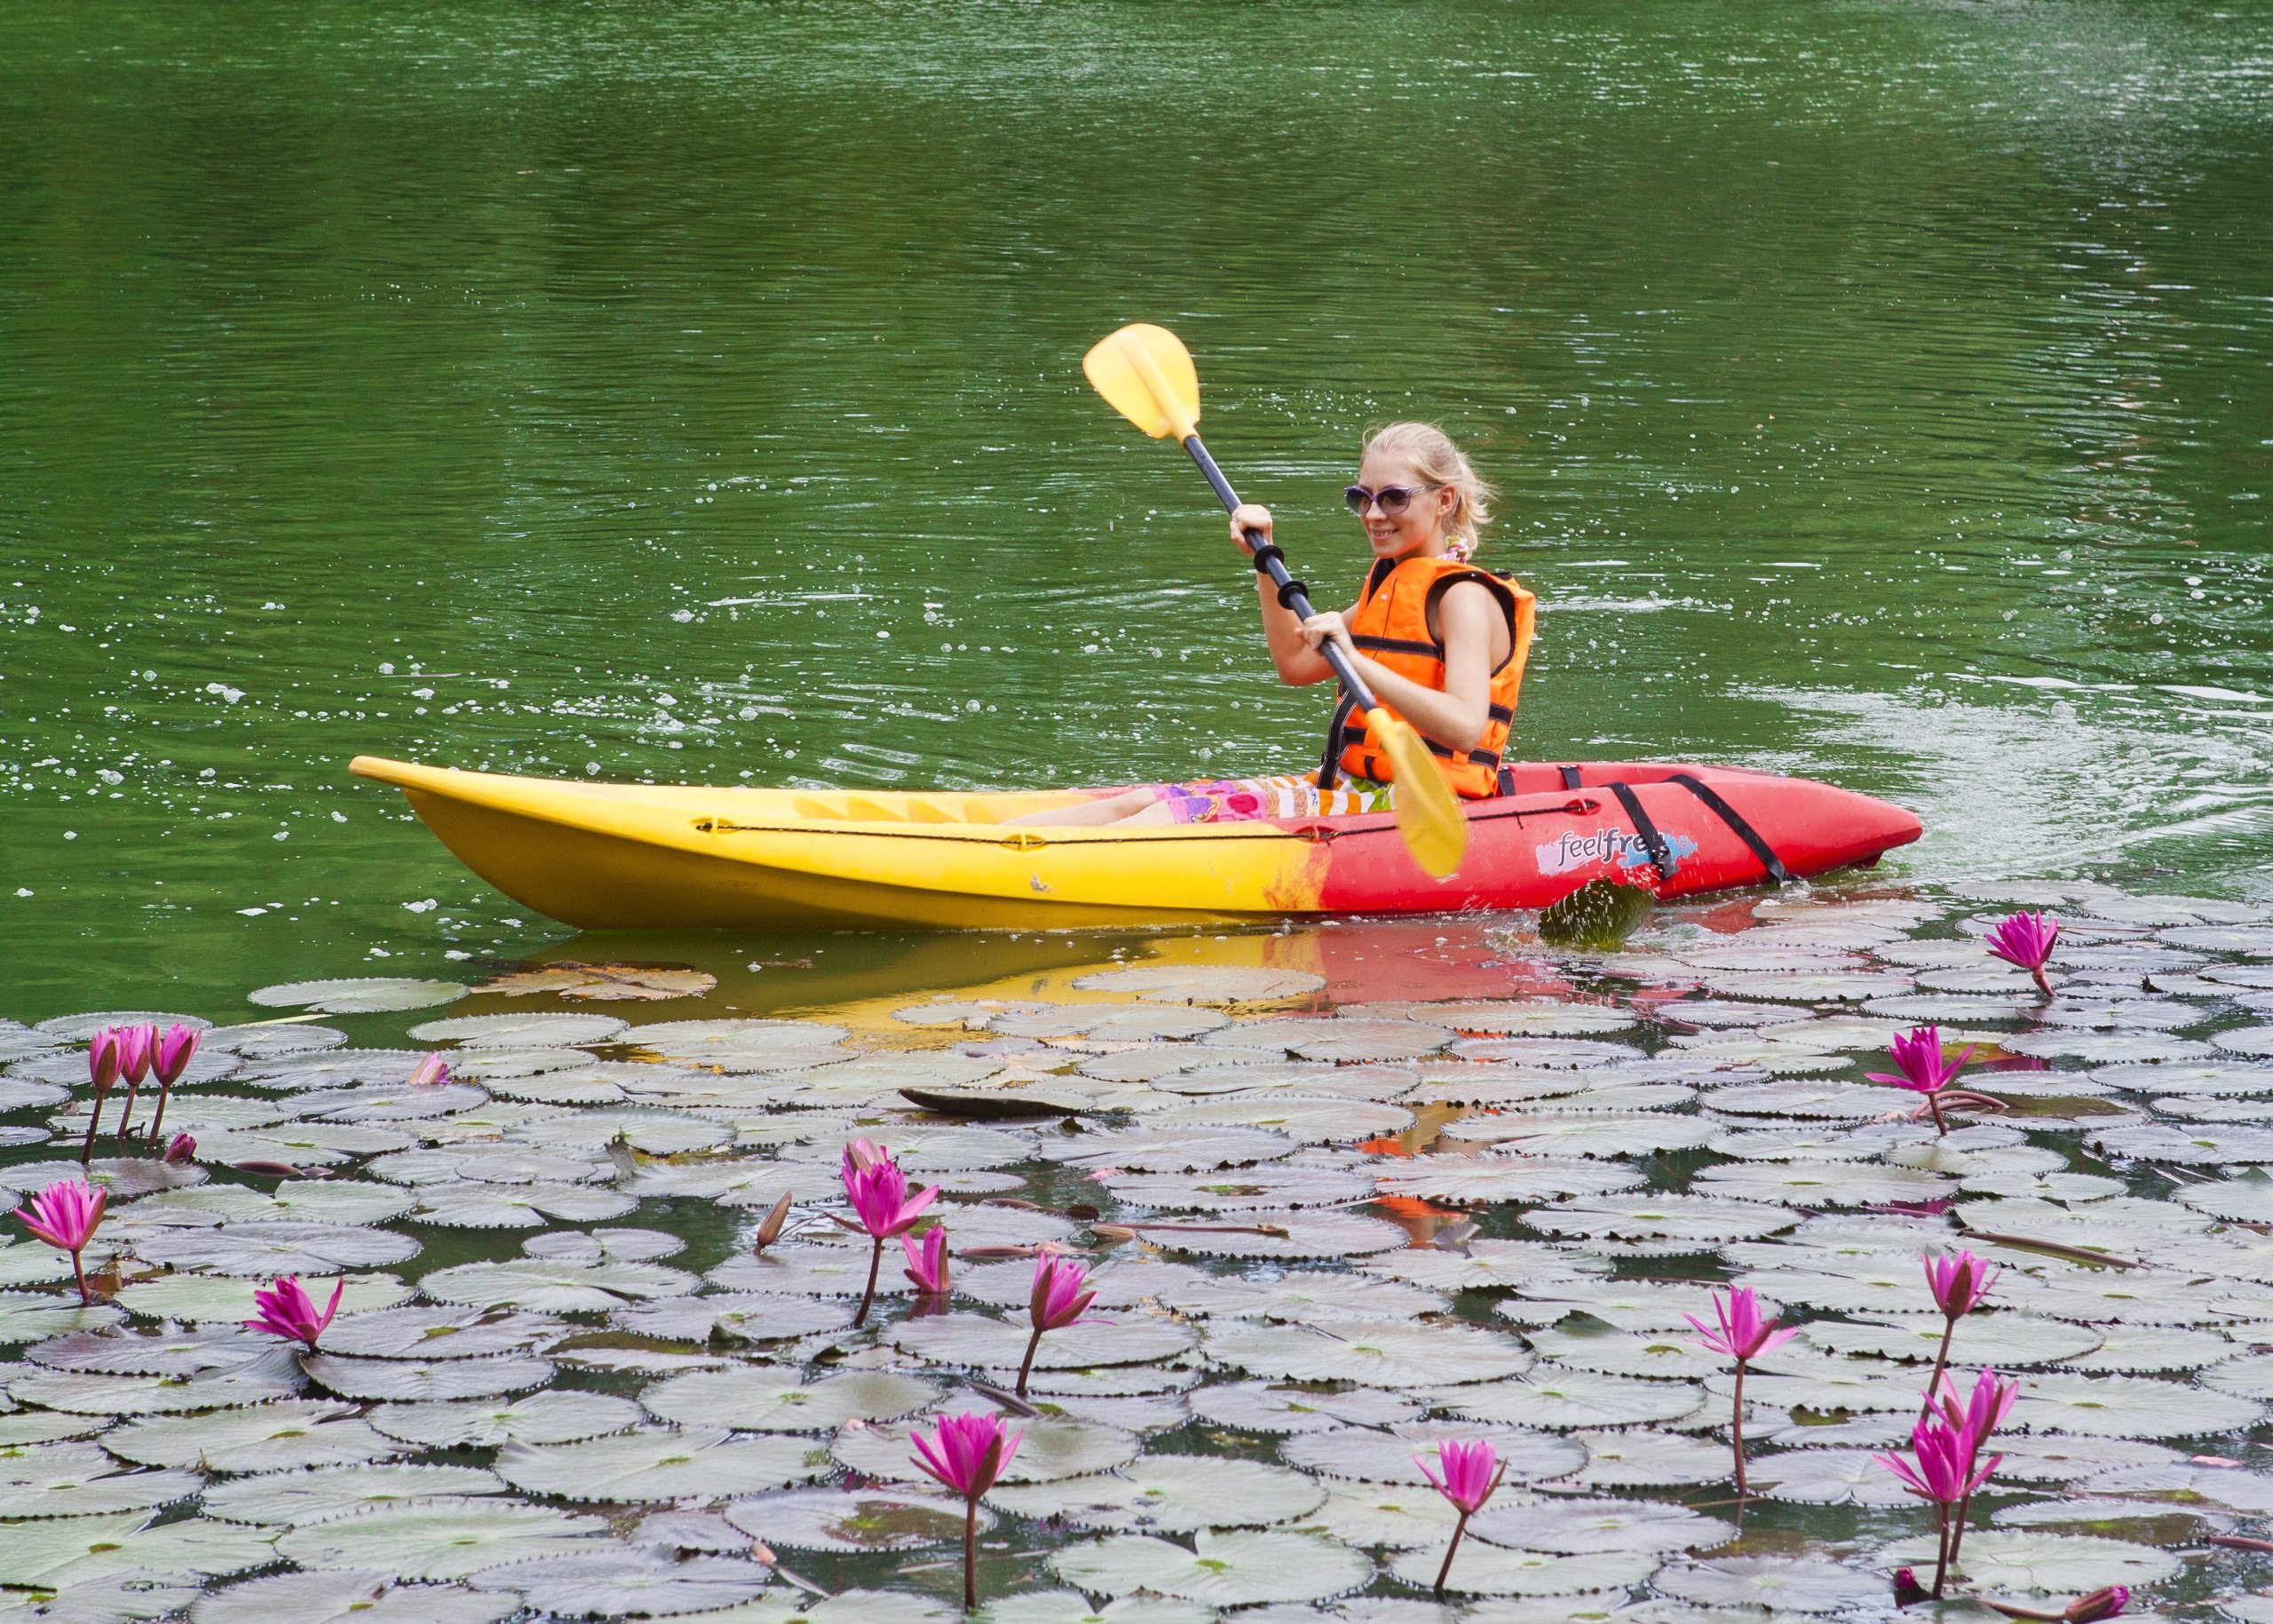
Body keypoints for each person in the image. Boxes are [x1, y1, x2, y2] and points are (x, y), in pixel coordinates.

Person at [1010, 421, 1535, 828]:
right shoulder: (1390, 588)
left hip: (1419, 806)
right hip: (1348, 789)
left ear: (1444, 499)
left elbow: (1465, 726)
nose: (1374, 514)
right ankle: (986, 847)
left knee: (1171, 817)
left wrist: (1355, 662)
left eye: (1394, 497)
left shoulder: (1464, 598)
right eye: (1362, 498)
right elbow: (1295, 664)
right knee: (1141, 800)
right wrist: (1264, 559)